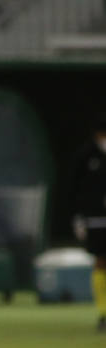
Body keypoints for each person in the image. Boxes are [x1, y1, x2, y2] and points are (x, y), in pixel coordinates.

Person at [68, 114, 106, 331]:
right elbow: (75, 188)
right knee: (101, 261)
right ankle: (104, 312)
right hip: (96, 219)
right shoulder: (86, 156)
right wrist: (78, 217)